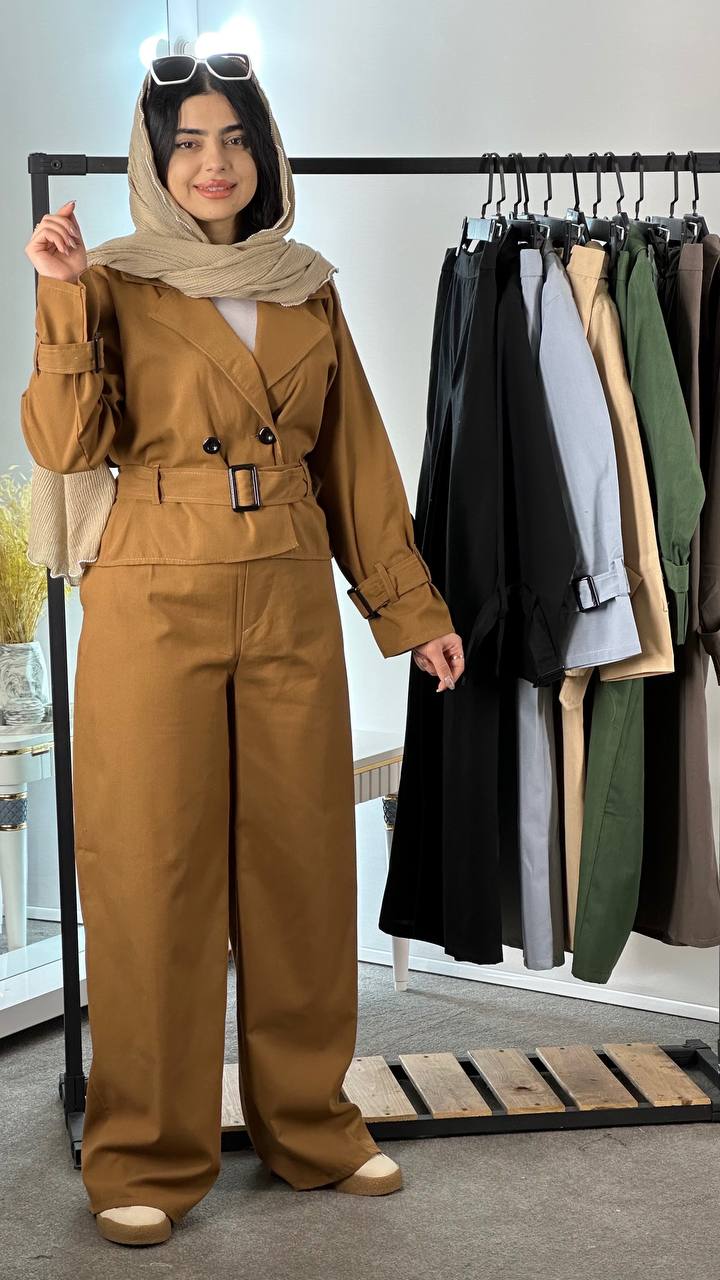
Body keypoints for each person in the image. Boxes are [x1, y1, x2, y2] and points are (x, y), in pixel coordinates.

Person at [21, 55, 464, 1248]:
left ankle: (311, 1122)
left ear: (264, 156)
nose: (213, 163)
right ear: (155, 162)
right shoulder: (108, 279)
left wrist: (412, 608)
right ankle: (142, 1151)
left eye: (233, 139)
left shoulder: (307, 288)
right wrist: (59, 298)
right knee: (151, 870)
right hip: (149, 588)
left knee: (300, 866)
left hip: (287, 590)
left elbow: (357, 460)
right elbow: (66, 442)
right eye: (187, 143)